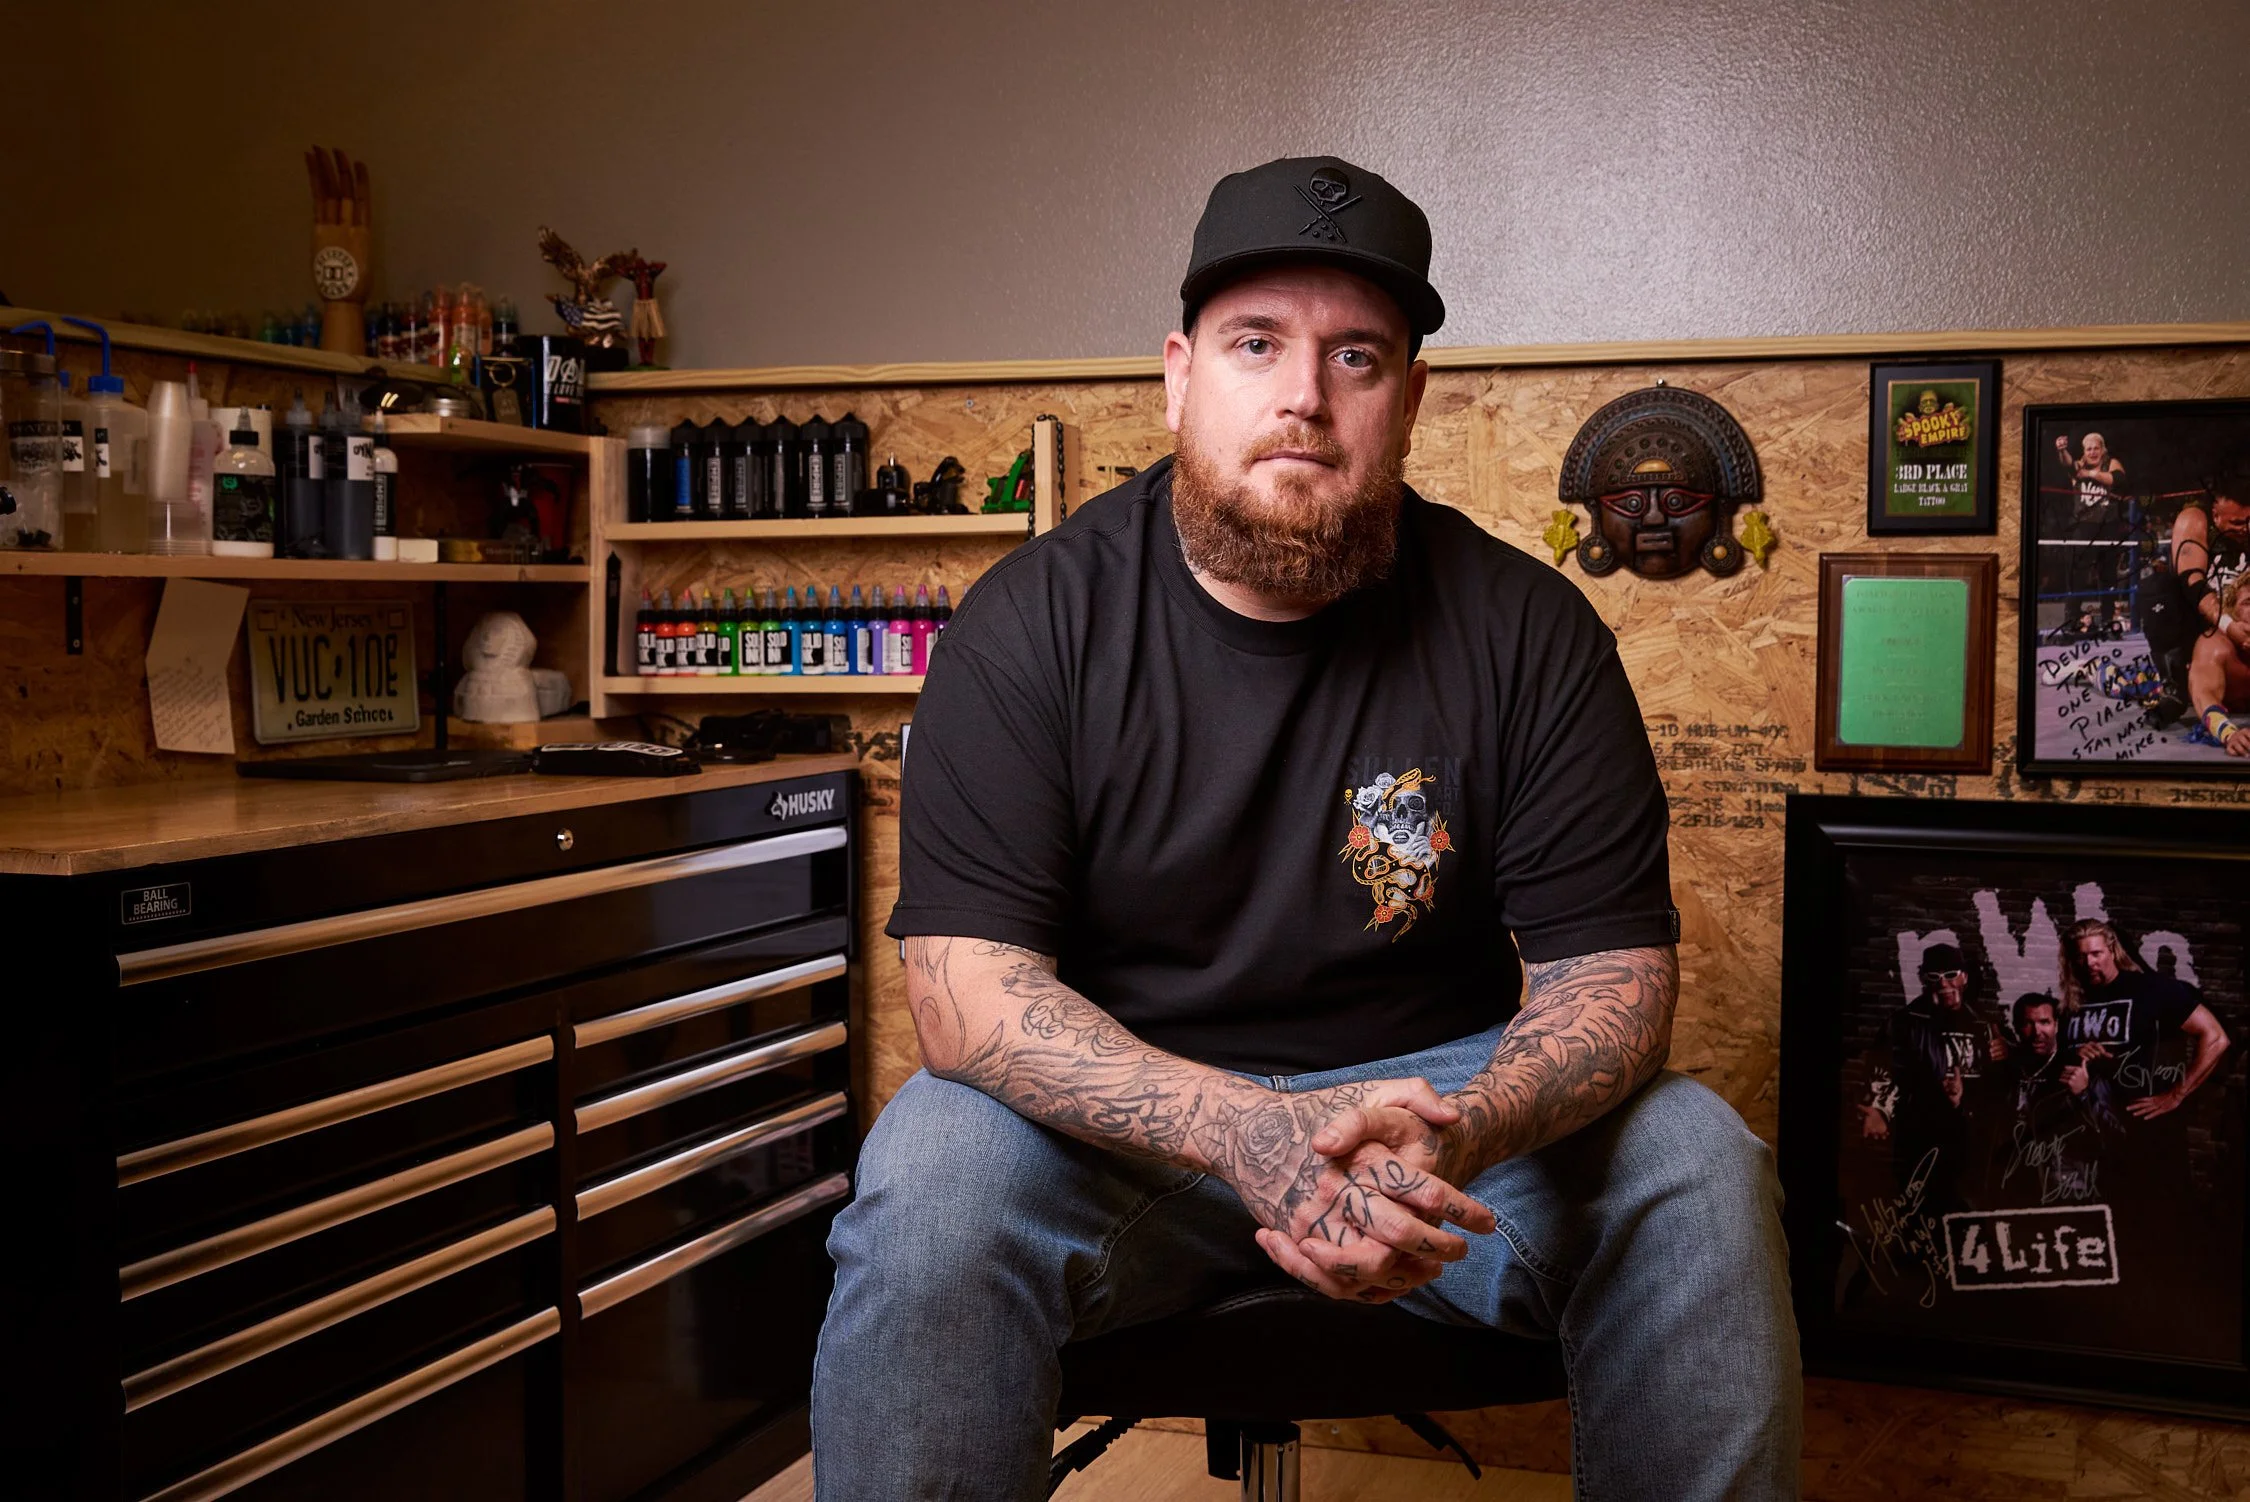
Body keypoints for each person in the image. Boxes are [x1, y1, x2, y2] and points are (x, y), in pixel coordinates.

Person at [811, 156, 1800, 1501]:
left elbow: (1614, 984)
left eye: (1356, 356)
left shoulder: (1526, 630)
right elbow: (965, 994)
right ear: (1176, 374)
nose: (1302, 397)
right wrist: (1240, 1131)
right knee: (926, 1174)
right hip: (1117, 1135)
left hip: (1431, 1116)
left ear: (1408, 399)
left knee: (1694, 1167)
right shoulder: (1030, 623)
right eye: (1256, 345)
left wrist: (1459, 1127)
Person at [1859, 942, 1992, 1212]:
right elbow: (1884, 1071)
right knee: (1920, 1214)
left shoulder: (1983, 1024)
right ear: (1924, 979)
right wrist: (1880, 1110)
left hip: (1971, 1142)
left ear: (1964, 977)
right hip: (1920, 1138)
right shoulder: (1905, 1022)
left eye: (1951, 974)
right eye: (1934, 977)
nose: (1943, 983)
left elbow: (1998, 1085)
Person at [2059, 919, 2231, 1121]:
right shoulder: (2072, 1003)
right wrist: (2076, 1054)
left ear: (2113, 951)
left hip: (2143, 1124)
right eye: (2081, 956)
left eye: (2097, 953)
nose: (2089, 963)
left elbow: (2216, 1038)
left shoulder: (2151, 989)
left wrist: (2176, 1094)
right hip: (2089, 1123)